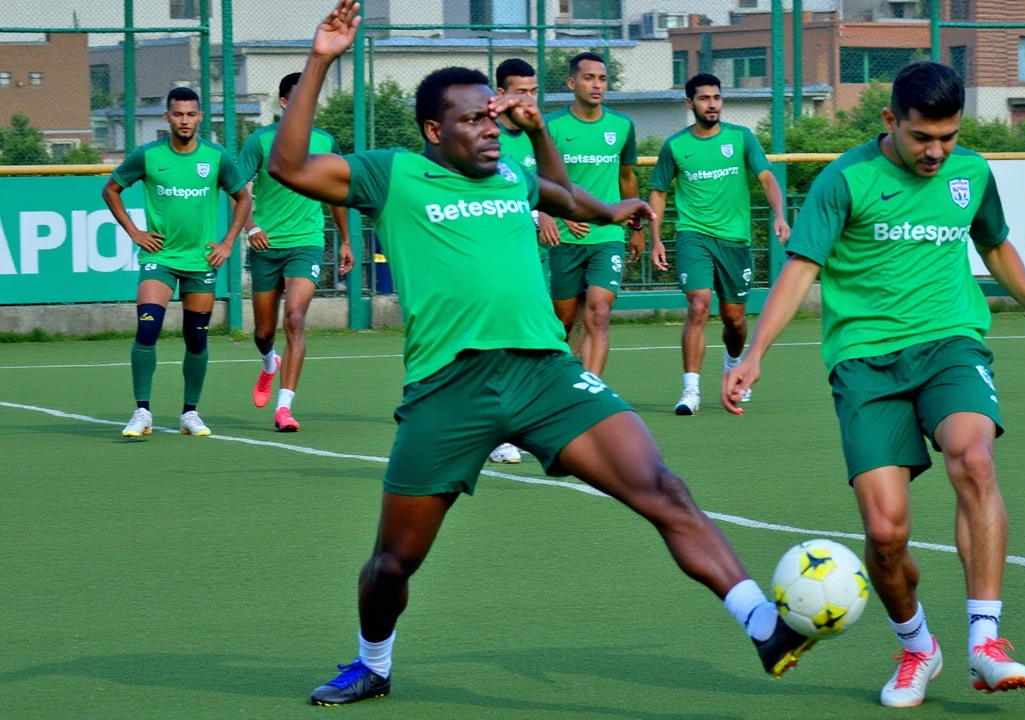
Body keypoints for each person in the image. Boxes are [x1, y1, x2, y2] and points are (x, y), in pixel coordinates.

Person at [269, 2, 813, 705]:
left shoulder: (509, 173)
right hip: (448, 388)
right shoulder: (393, 174)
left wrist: (613, 206)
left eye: (492, 117)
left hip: (545, 373)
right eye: (473, 120)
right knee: (393, 564)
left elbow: (565, 196)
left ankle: (764, 624)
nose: (490, 130)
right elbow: (288, 164)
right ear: (434, 131)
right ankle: (374, 662)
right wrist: (322, 59)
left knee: (662, 487)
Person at [722, 61, 1025, 708]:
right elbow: (801, 269)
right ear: (891, 121)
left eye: (949, 136)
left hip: (950, 344)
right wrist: (754, 356)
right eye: (922, 138)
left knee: (974, 457)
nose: (937, 152)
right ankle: (918, 648)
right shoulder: (846, 179)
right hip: (864, 362)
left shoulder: (971, 173)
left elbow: (994, 245)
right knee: (885, 537)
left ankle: (986, 642)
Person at [103, 87, 251, 439]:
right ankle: (142, 411)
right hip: (159, 259)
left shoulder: (216, 157)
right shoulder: (148, 155)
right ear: (167, 117)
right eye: (178, 114)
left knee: (196, 339)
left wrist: (229, 241)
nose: (184, 120)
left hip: (200, 260)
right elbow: (110, 189)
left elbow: (244, 198)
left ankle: (189, 413)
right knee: (148, 328)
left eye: (191, 114)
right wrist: (135, 232)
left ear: (201, 117)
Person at [649, 73, 789, 415]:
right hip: (692, 235)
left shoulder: (741, 138)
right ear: (689, 103)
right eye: (704, 98)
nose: (712, 104)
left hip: (735, 241)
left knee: (735, 320)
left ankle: (733, 364)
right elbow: (658, 192)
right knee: (698, 306)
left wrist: (780, 214)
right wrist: (655, 239)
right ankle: (691, 391)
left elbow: (767, 178)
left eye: (716, 97)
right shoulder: (675, 145)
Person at [238, 72, 354, 432]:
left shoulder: (324, 141)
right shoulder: (260, 141)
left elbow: (336, 192)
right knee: (262, 330)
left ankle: (284, 407)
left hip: (306, 242)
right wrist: (251, 227)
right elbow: (237, 190)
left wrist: (346, 239)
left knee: (295, 319)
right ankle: (267, 363)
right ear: (285, 103)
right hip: (267, 244)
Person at [544, 52, 641, 377]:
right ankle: (561, 386)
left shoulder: (622, 126)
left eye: (601, 78)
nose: (596, 84)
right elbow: (541, 182)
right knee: (565, 323)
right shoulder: (551, 127)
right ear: (572, 83)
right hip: (566, 238)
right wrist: (561, 213)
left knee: (599, 313)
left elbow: (627, 178)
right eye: (589, 78)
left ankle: (592, 392)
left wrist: (636, 228)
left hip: (608, 236)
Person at [489, 57, 546, 464]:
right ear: (501, 95)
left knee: (528, 344)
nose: (528, 99)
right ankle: (495, 432)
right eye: (519, 91)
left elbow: (551, 189)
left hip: (527, 261)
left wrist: (549, 213)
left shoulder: (538, 136)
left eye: (533, 91)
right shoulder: (486, 136)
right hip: (486, 261)